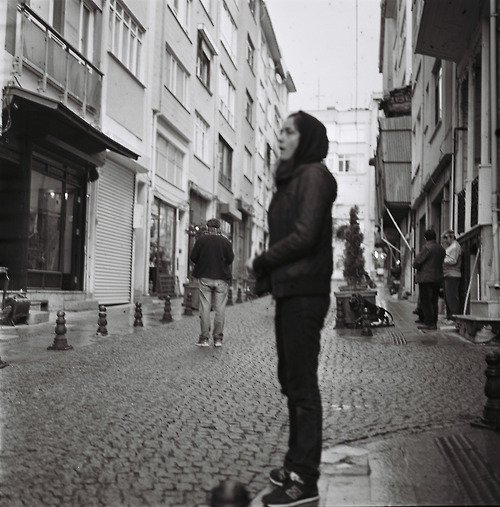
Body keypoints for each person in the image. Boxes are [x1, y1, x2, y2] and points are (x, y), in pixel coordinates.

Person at [248, 111, 337, 507]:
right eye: (280, 131)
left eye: (288, 132)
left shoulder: (314, 176)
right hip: (290, 291)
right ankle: (294, 463)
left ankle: (305, 480)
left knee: (302, 386)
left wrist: (263, 261)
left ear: (306, 139)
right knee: (290, 380)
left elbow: (304, 236)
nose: (280, 137)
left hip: (306, 293)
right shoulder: (292, 178)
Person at [190, 218, 234, 347]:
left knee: (205, 308)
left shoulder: (201, 240)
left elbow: (193, 257)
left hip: (205, 278)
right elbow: (230, 259)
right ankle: (218, 339)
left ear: (207, 228)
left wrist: (203, 262)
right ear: (219, 228)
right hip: (221, 278)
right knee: (220, 309)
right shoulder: (226, 242)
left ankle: (204, 339)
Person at [412, 229, 445, 330]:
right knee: (434, 300)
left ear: (425, 238)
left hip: (426, 278)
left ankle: (428, 323)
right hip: (437, 278)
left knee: (425, 301)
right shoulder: (441, 249)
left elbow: (416, 263)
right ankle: (434, 322)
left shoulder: (427, 248)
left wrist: (417, 264)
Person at [441, 229, 462, 323]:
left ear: (451, 237)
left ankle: (454, 318)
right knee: (448, 297)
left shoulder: (455, 247)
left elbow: (453, 260)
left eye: (446, 238)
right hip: (448, 274)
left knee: (452, 297)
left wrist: (442, 260)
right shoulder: (451, 247)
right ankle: (449, 317)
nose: (445, 240)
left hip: (453, 274)